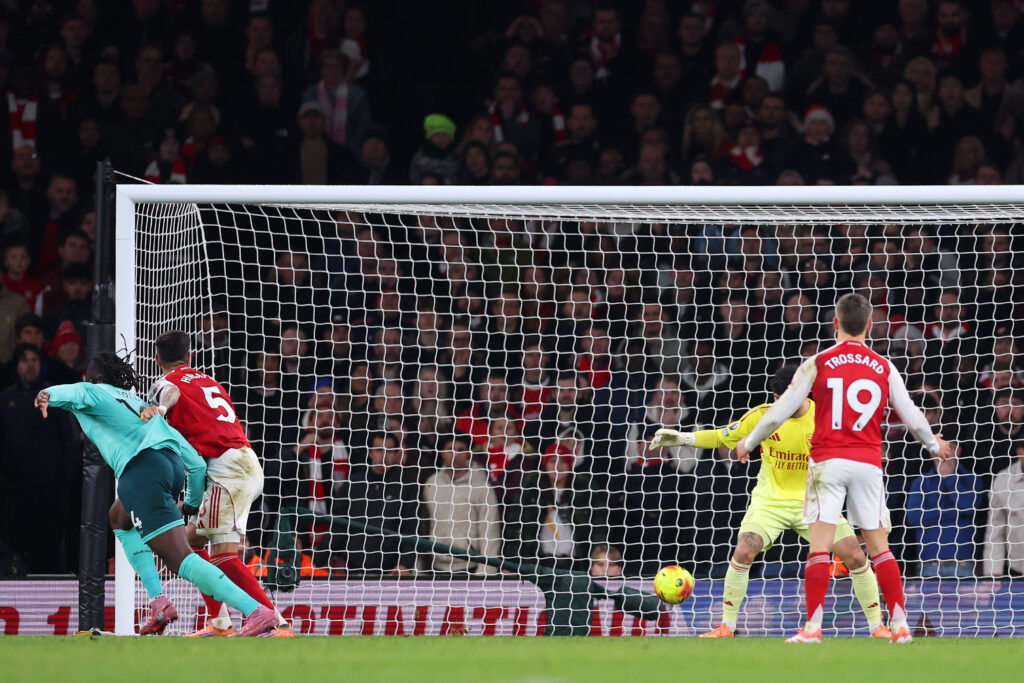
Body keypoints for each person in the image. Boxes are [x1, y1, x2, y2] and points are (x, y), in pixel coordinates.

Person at [736, 293, 950, 644]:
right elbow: (911, 412)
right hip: (868, 462)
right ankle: (900, 627)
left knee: (819, 548)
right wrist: (933, 445)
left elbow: (779, 411)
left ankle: (813, 629)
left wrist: (748, 441)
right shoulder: (883, 365)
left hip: (828, 463)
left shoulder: (817, 362)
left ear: (835, 324)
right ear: (869, 325)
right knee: (880, 548)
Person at [33, 351, 277, 636]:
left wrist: (45, 394)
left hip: (140, 473)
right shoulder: (141, 404)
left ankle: (256, 611)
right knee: (119, 517)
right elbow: (196, 465)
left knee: (181, 559)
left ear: (94, 377)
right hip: (171, 467)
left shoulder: (94, 391)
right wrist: (192, 503)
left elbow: (73, 392)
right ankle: (159, 602)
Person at [652, 365, 889, 639]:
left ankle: (877, 628)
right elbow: (720, 436)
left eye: (785, 400)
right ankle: (726, 626)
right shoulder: (763, 416)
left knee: (856, 557)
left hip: (816, 502)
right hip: (771, 502)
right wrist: (682, 438)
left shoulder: (826, 418)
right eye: (777, 400)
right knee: (744, 551)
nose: (779, 406)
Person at [137, 330, 291, 637]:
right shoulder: (209, 381)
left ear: (157, 360)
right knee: (191, 543)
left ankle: (274, 620)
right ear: (190, 356)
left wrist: (162, 409)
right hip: (240, 462)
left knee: (222, 555)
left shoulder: (167, 384)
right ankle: (220, 622)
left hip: (228, 468)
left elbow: (170, 393)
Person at [422, 434, 500, 575]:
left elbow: (490, 532)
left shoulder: (482, 487)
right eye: (449, 449)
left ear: (468, 454)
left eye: (460, 450)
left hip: (470, 567)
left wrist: (485, 574)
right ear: (442, 453)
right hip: (435, 567)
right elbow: (424, 526)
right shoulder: (431, 483)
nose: (455, 454)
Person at [906, 442, 981, 578]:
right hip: (929, 566)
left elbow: (968, 506)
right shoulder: (920, 482)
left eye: (949, 447)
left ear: (959, 451)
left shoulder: (972, 479)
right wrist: (957, 512)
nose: (943, 452)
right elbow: (914, 517)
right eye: (938, 446)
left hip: (963, 565)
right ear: (930, 452)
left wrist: (949, 478)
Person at [982, 442, 1024, 578]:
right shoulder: (1004, 480)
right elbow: (995, 532)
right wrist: (993, 572)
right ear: (1020, 451)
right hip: (1017, 572)